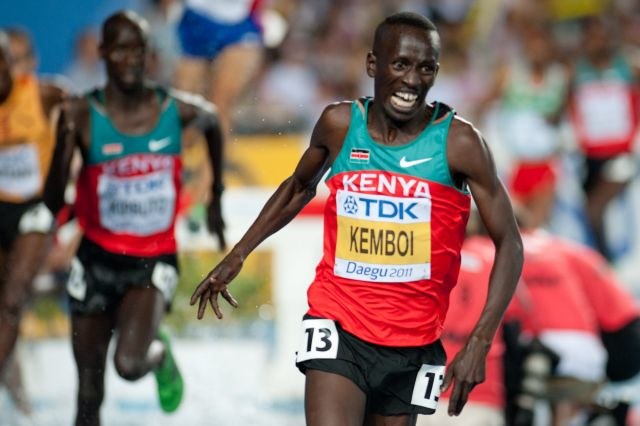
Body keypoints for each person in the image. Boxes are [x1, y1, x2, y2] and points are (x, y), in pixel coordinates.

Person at [191, 12, 523, 425]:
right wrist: (238, 254)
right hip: (338, 323)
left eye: (425, 69)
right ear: (372, 65)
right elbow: (298, 187)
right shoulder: (339, 124)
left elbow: (510, 242)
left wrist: (479, 341)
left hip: (414, 341)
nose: (412, 81)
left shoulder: (459, 143)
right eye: (400, 64)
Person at [43, 10, 226, 425]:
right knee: (88, 393)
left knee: (128, 363)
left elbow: (213, 120)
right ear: (103, 53)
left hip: (152, 260)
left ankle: (156, 354)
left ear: (150, 56)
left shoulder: (174, 110)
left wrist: (215, 197)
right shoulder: (83, 115)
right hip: (95, 259)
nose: (130, 59)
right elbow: (54, 201)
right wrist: (63, 145)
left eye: (139, 50)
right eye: (121, 50)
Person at [0, 29, 65, 410]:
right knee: (3, 309)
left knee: (12, 299)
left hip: (35, 208)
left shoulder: (45, 93)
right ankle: (20, 405)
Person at [568, 15, 640, 260]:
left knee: (594, 209)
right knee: (592, 215)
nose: (597, 41)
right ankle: (605, 260)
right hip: (590, 157)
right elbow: (562, 109)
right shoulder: (576, 72)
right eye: (591, 36)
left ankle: (606, 265)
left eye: (602, 36)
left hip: (623, 155)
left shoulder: (629, 67)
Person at [417, 230, 507, 426]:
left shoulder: (426, 254)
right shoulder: (498, 263)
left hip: (423, 387)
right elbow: (519, 319)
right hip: (480, 393)